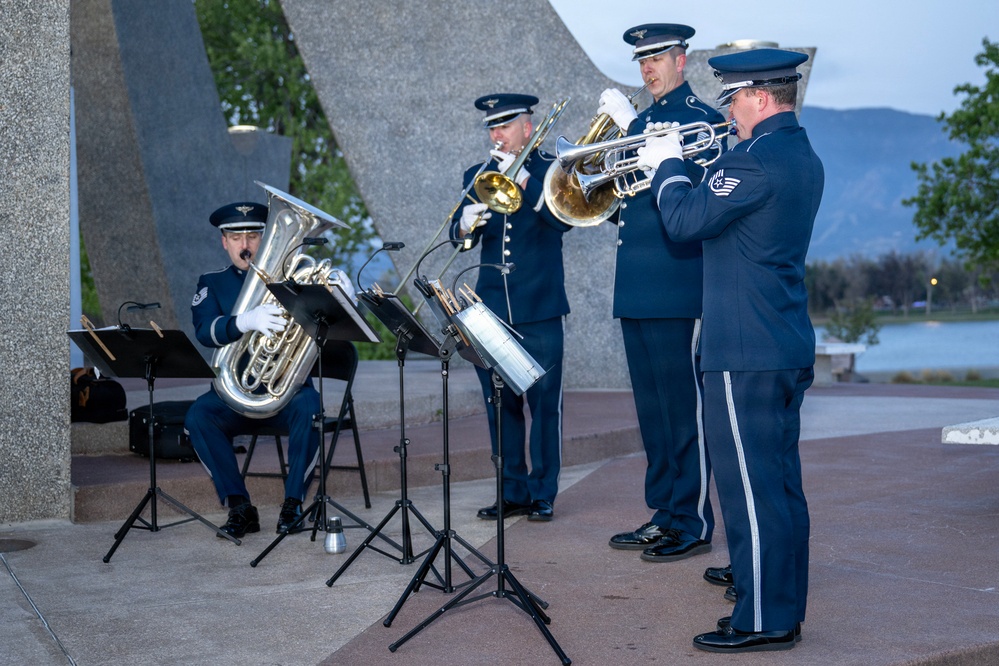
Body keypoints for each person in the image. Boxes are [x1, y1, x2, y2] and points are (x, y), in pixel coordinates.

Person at [638, 48, 823, 652]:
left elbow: (686, 221)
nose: (730, 112)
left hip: (744, 350)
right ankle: (775, 601)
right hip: (778, 341)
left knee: (749, 489)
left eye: (734, 100)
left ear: (761, 98)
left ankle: (764, 619)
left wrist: (665, 165)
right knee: (778, 484)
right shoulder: (796, 153)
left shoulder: (755, 161)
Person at [598, 24, 724, 563]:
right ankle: (663, 512)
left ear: (682, 60)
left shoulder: (706, 121)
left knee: (683, 407)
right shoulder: (640, 124)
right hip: (636, 282)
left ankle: (691, 519)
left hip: (678, 283)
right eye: (641, 60)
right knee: (652, 410)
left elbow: (703, 200)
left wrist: (642, 143)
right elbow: (622, 208)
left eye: (657, 58)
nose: (647, 68)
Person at [449, 93, 572, 522]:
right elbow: (458, 239)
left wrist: (524, 183)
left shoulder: (551, 171)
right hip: (491, 309)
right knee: (499, 405)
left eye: (505, 125)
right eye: (492, 127)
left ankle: (543, 492)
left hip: (539, 305)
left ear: (527, 126)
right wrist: (465, 225)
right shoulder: (477, 174)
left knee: (544, 405)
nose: (496, 134)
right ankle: (512, 491)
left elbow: (563, 220)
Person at [186, 202, 328, 539]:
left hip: (284, 391)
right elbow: (205, 332)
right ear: (225, 242)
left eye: (252, 235)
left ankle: (293, 504)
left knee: (310, 407)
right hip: (233, 394)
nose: (245, 244)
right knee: (198, 417)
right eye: (236, 237)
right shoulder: (212, 282)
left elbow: (326, 328)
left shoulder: (293, 280)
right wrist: (243, 322)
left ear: (264, 239)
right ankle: (240, 507)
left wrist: (333, 295)